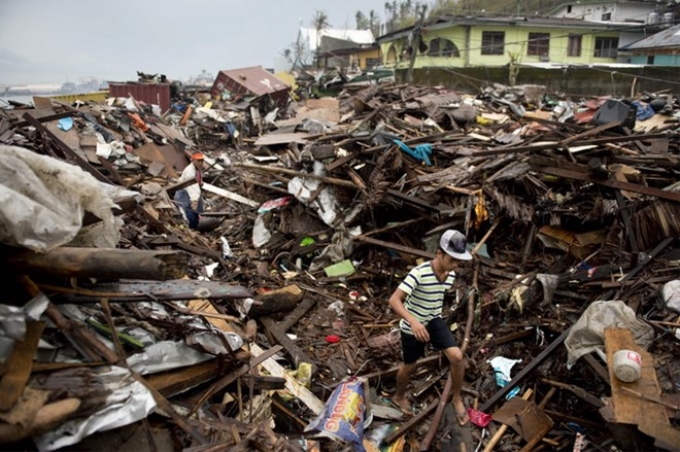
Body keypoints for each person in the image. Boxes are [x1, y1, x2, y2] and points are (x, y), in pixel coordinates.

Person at [388, 229, 472, 425]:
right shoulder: (419, 273)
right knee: (410, 366)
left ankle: (457, 398)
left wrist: (430, 320)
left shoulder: (449, 275)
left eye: (458, 262)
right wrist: (414, 321)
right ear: (439, 254)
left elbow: (436, 297)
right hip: (412, 325)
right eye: (451, 260)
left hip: (433, 319)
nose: (455, 266)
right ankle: (398, 397)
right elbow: (394, 300)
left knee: (457, 357)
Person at [174, 152, 205, 229]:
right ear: (193, 160)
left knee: (196, 212)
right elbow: (191, 186)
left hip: (191, 194)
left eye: (202, 160)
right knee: (189, 213)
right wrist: (194, 200)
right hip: (184, 194)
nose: (200, 162)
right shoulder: (189, 171)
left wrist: (200, 182)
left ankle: (196, 227)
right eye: (199, 161)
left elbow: (197, 181)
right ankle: (192, 229)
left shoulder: (197, 169)